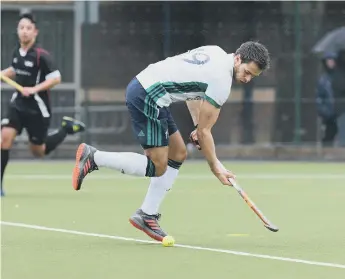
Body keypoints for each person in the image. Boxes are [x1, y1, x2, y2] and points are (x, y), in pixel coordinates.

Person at [72, 41, 270, 241]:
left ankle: (147, 215)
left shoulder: (215, 51)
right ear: (238, 59)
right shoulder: (222, 82)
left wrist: (196, 125)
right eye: (247, 72)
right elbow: (205, 132)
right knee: (158, 166)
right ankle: (94, 158)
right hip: (148, 96)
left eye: (252, 76)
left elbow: (193, 91)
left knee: (178, 153)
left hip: (150, 89)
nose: (247, 79)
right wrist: (215, 166)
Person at [0, 13, 86, 196]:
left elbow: (56, 78)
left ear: (35, 32)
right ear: (17, 31)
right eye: (21, 28)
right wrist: (4, 73)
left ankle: (66, 129)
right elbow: (15, 69)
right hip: (18, 105)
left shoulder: (42, 56)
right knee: (4, 138)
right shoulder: (17, 52)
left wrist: (34, 89)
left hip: (37, 108)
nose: (24, 32)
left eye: (28, 28)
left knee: (38, 151)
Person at [316, 52, 338, 145]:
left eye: (332, 60)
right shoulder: (323, 80)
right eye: (328, 60)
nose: (330, 62)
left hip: (341, 113)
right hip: (329, 116)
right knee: (328, 138)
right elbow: (319, 98)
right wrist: (325, 112)